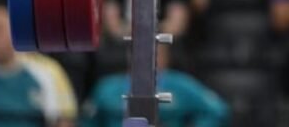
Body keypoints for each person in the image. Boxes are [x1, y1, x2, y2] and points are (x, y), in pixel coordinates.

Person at [81, 43, 228, 127]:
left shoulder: (182, 85)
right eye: (141, 52)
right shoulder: (107, 88)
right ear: (130, 55)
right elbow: (87, 121)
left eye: (156, 53)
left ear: (166, 56)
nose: (147, 58)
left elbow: (217, 110)